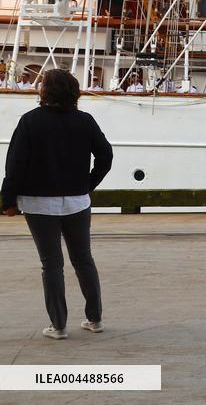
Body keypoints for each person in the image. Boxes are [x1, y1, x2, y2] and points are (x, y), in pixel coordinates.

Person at [1, 69, 113, 340]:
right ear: (74, 92)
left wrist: (7, 201)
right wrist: (87, 185)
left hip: (39, 205)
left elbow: (15, 166)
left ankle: (59, 326)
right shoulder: (85, 121)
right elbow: (106, 156)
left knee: (52, 264)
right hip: (77, 202)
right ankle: (94, 319)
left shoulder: (30, 121)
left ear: (45, 91)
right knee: (84, 259)